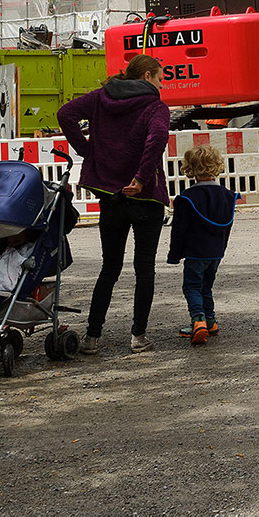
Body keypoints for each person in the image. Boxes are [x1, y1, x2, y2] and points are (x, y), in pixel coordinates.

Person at [58, 52, 171, 354]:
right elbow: (158, 137)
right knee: (144, 268)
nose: (162, 84)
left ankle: (93, 337)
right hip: (145, 197)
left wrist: (88, 151)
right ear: (147, 76)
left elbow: (65, 114)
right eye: (160, 78)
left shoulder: (99, 97)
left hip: (110, 195)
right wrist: (142, 177)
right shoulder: (154, 106)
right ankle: (138, 336)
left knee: (110, 267)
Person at [167, 143, 233, 345]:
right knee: (207, 287)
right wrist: (221, 248)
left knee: (192, 287)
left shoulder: (187, 198)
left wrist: (174, 255)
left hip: (195, 252)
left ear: (190, 168)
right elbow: (226, 227)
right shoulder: (227, 196)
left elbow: (179, 230)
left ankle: (198, 321)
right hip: (216, 252)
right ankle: (211, 321)